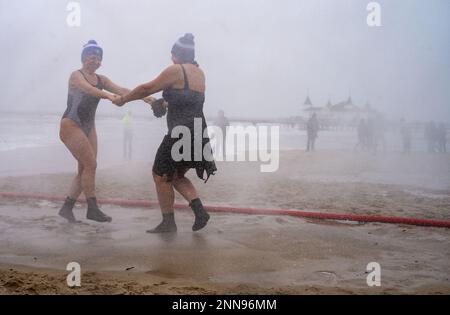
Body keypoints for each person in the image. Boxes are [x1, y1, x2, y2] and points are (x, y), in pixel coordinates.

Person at [114, 33, 217, 233]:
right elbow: (187, 100)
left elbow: (147, 88)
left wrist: (124, 99)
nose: (171, 59)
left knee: (159, 175)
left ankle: (168, 223)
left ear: (177, 55)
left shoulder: (176, 70)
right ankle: (200, 211)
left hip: (181, 131)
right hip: (197, 132)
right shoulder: (199, 72)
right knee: (176, 175)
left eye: (172, 55)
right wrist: (163, 103)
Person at [58, 40, 149, 223]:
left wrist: (147, 98)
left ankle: (67, 208)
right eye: (92, 57)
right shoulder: (76, 76)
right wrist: (109, 96)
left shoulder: (102, 79)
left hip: (89, 127)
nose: (95, 61)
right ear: (84, 58)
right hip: (71, 125)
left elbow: (122, 90)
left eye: (99, 58)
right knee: (91, 165)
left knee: (85, 169)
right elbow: (88, 89)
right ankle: (92, 208)